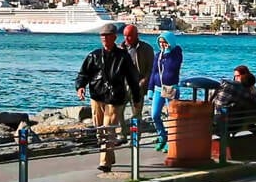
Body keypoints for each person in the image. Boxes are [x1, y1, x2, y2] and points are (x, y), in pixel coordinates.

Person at [75, 23, 143, 173]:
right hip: (96, 96)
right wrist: (80, 87)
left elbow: (132, 79)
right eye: (102, 36)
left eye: (107, 36)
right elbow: (83, 73)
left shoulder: (122, 57)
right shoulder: (94, 55)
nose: (104, 38)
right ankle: (109, 155)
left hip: (115, 98)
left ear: (114, 37)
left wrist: (137, 98)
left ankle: (105, 162)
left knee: (108, 129)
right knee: (99, 129)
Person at [148, 31, 184, 151]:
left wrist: (168, 54)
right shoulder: (158, 55)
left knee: (171, 116)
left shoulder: (177, 54)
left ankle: (171, 141)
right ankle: (161, 136)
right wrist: (150, 89)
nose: (163, 45)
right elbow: (153, 72)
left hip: (170, 88)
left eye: (165, 42)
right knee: (155, 115)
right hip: (158, 88)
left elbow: (173, 68)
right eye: (161, 42)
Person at [120, 24, 155, 142]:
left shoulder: (146, 49)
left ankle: (135, 139)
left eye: (129, 36)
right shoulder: (121, 48)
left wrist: (144, 81)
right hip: (123, 85)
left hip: (138, 86)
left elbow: (151, 68)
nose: (126, 39)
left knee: (136, 115)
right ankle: (123, 135)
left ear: (136, 35)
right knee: (118, 111)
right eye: (125, 36)